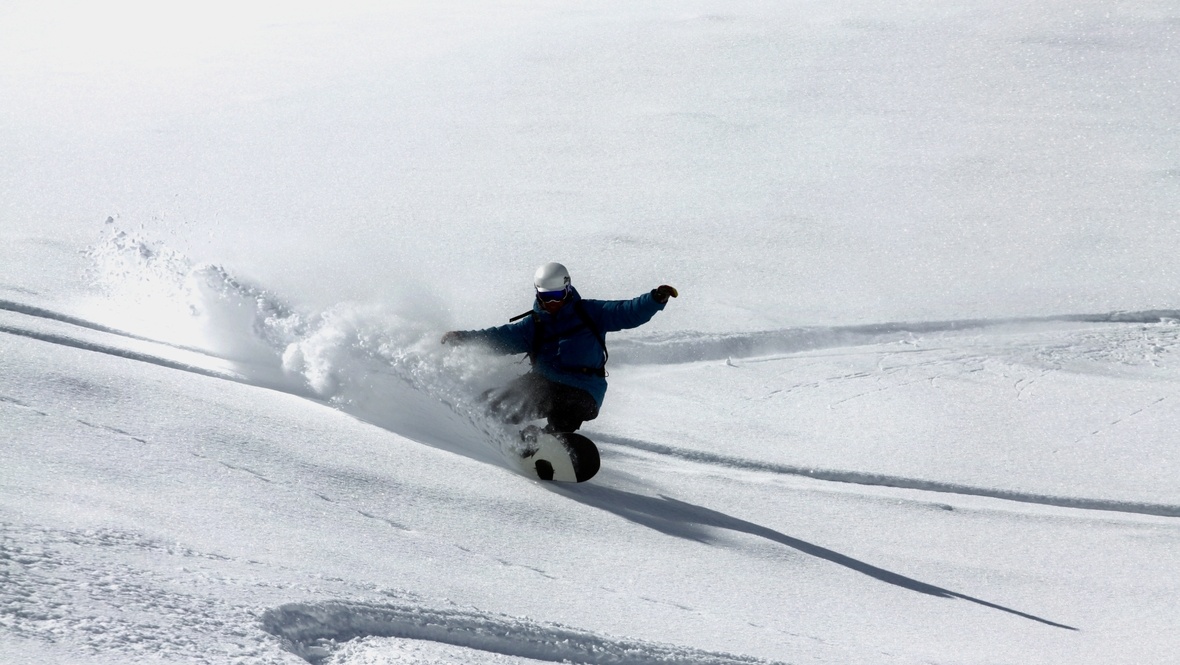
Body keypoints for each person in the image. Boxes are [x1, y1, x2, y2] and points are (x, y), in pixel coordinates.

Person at [441, 262, 677, 434]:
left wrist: (653, 300)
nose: (553, 302)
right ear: (538, 293)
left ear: (567, 289)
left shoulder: (591, 313)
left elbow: (627, 312)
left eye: (558, 295)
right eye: (547, 296)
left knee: (567, 413)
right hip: (543, 382)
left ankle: (553, 442)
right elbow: (497, 338)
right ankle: (463, 431)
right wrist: (462, 338)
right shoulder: (533, 325)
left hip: (584, 390)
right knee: (493, 405)